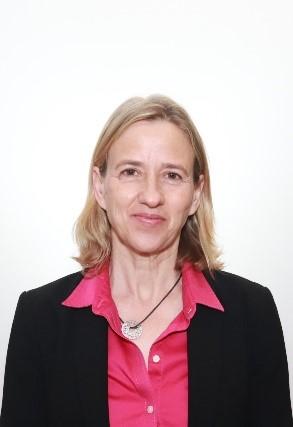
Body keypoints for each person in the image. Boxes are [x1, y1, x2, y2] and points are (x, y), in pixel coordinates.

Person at [0, 95, 292, 427]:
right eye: (130, 172)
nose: (151, 196)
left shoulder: (252, 315)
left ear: (196, 193)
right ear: (100, 186)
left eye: (172, 175)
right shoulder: (39, 319)